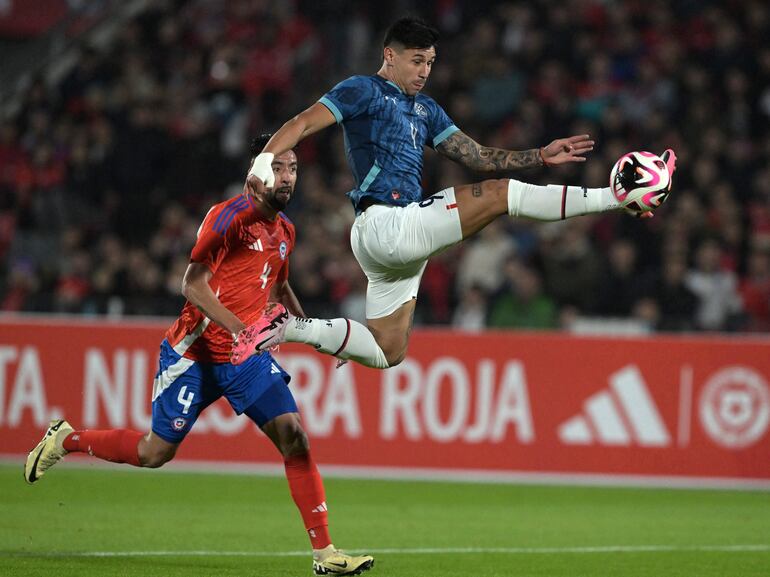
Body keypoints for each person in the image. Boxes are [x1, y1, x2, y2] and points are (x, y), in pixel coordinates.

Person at [231, 16, 675, 370]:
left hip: (399, 246)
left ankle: (288, 328)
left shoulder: (426, 110)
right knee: (501, 195)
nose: (424, 71)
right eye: (416, 61)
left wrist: (540, 154)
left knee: (387, 352)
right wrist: (265, 162)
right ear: (390, 55)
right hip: (386, 223)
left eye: (430, 63)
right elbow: (302, 124)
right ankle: (613, 198)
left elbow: (477, 155)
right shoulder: (361, 89)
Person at [24, 135, 375, 577]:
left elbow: (279, 286)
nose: (288, 178)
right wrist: (241, 329)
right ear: (256, 173)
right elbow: (191, 284)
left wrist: (320, 336)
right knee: (155, 453)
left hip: (244, 360)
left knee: (295, 437)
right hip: (194, 354)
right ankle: (66, 438)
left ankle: (326, 554)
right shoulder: (228, 218)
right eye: (279, 168)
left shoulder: (285, 230)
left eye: (293, 169)